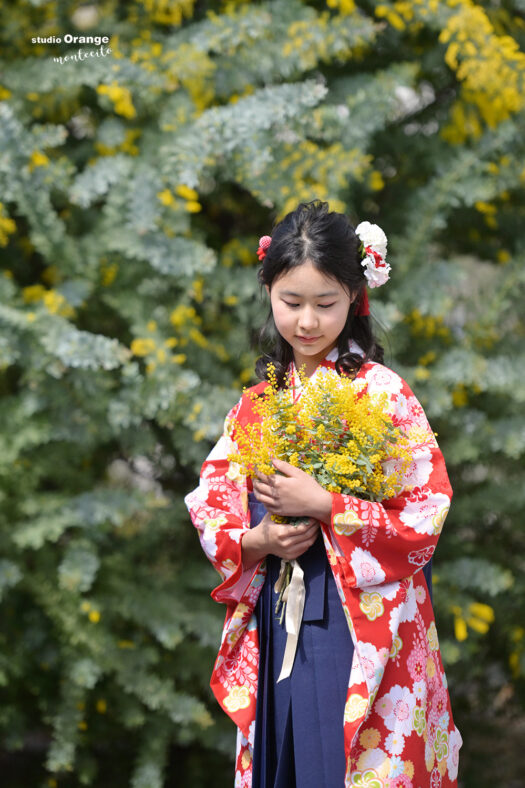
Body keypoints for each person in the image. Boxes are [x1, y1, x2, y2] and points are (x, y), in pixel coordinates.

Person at [184, 201, 462, 788]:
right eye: (291, 302)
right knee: (286, 758)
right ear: (268, 291)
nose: (307, 322)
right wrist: (256, 539)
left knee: (350, 768)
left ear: (356, 298)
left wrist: (329, 505)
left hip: (361, 627)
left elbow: (426, 511)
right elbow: (214, 496)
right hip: (279, 613)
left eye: (325, 303)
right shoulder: (258, 401)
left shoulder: (384, 394)